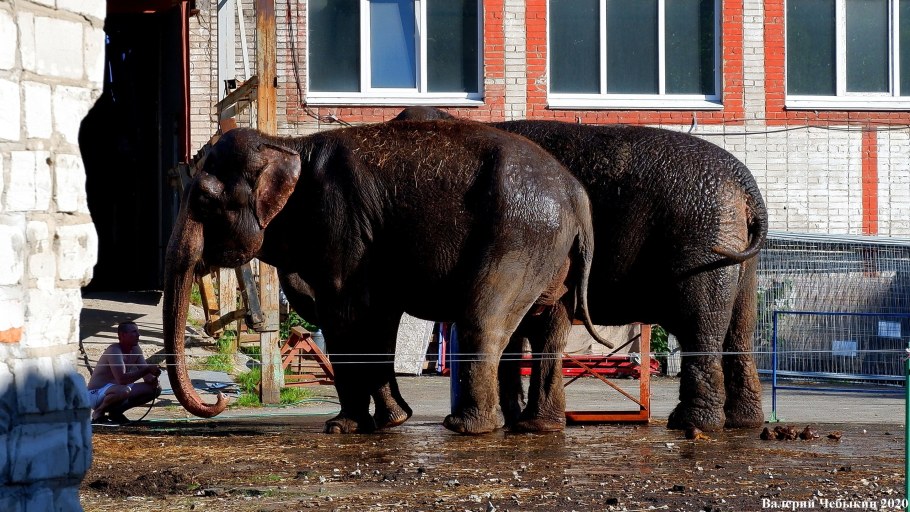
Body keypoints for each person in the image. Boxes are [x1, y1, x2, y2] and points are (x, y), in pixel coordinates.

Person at [87, 321, 162, 424]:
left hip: (119, 389)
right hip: (96, 393)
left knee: (155, 389)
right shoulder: (114, 350)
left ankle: (116, 413)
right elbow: (122, 379)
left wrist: (153, 378)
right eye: (134, 332)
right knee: (124, 390)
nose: (138, 335)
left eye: (138, 332)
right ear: (123, 335)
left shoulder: (136, 350)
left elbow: (147, 376)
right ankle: (98, 413)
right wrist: (147, 369)